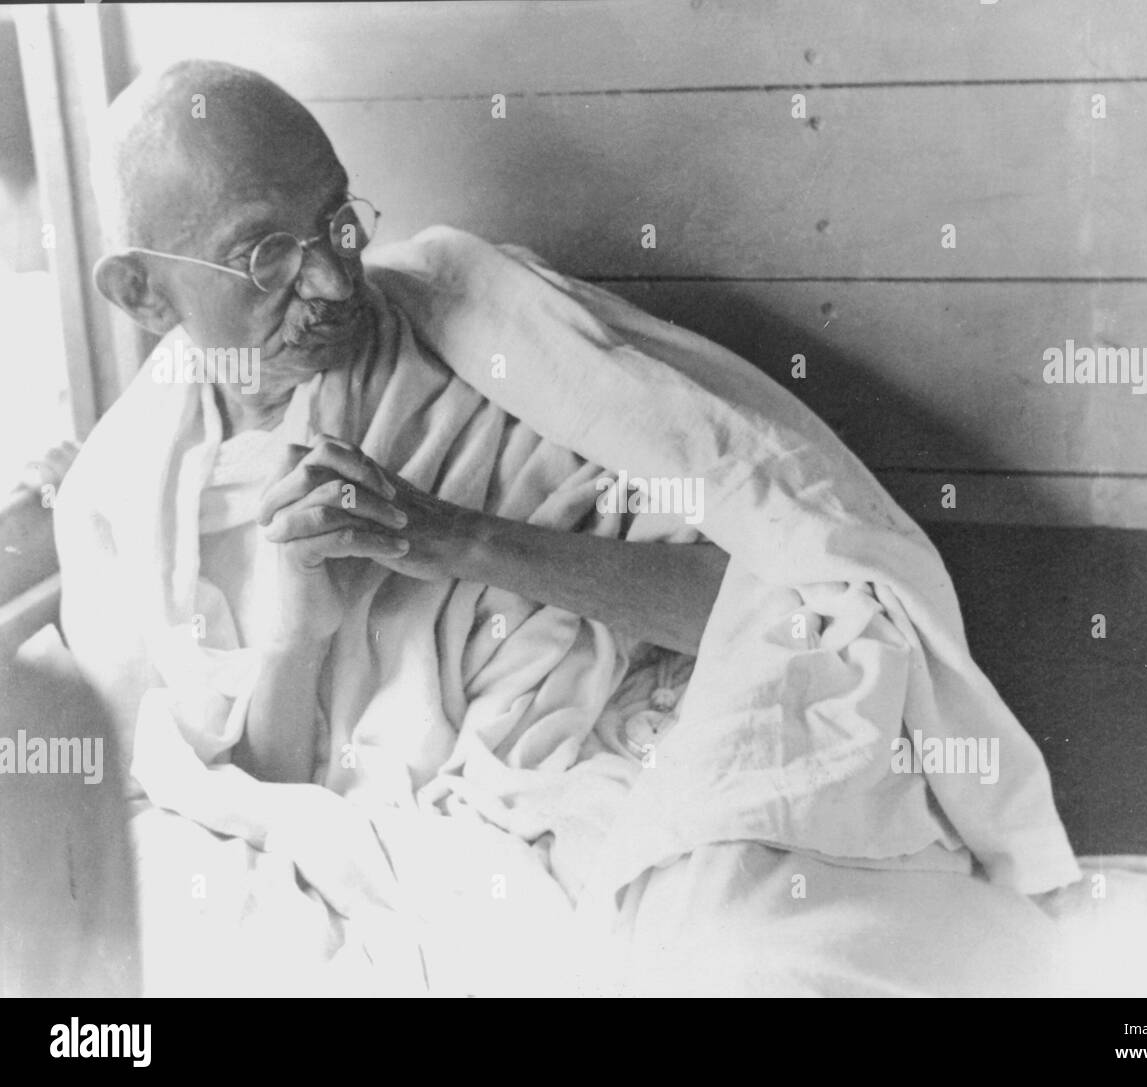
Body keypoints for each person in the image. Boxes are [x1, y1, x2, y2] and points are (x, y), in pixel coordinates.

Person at [54, 60, 1078, 995]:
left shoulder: (479, 321)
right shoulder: (122, 494)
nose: (330, 279)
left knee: (735, 961)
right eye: (264, 254)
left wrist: (447, 536)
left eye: (335, 221)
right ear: (142, 292)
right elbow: (246, 806)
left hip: (642, 761)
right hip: (414, 847)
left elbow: (791, 589)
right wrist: (292, 644)